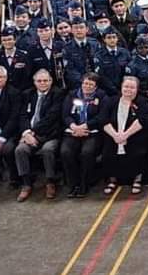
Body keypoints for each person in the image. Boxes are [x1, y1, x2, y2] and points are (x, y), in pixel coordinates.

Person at [15, 70, 64, 201]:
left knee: (48, 150)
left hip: (50, 134)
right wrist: (26, 132)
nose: (42, 83)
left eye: (45, 80)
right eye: (39, 81)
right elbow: (22, 115)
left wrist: (32, 132)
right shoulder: (27, 94)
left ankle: (50, 182)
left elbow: (52, 117)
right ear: (34, 82)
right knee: (20, 150)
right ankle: (26, 184)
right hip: (29, 134)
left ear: (51, 81)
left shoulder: (58, 94)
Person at [100, 77, 148, 196]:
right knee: (108, 151)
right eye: (126, 87)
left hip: (134, 136)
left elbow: (142, 121)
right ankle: (112, 180)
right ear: (121, 87)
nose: (128, 90)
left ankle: (137, 179)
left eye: (132, 87)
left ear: (137, 89)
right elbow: (103, 119)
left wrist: (125, 135)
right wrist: (115, 136)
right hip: (113, 136)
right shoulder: (111, 101)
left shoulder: (142, 102)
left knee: (138, 150)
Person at [61, 73, 107, 198]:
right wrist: (74, 127)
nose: (87, 86)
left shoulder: (102, 97)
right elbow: (65, 115)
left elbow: (101, 117)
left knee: (87, 152)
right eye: (85, 83)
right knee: (66, 152)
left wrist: (85, 126)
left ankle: (84, 184)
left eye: (91, 84)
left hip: (92, 132)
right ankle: (72, 184)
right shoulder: (72, 95)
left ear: (96, 87)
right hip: (73, 131)